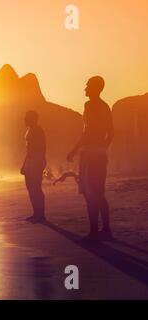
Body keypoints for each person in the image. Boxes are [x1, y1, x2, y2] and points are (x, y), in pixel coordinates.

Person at [67, 76, 114, 242]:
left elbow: (86, 133)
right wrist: (102, 149)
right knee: (97, 193)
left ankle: (96, 231)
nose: (85, 88)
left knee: (91, 192)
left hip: (90, 155)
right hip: (94, 154)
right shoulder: (105, 106)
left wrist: (75, 150)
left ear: (95, 88)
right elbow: (110, 133)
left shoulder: (91, 105)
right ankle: (104, 230)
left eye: (87, 86)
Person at [21, 111, 47, 223]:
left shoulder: (38, 130)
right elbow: (29, 150)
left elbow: (42, 147)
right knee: (30, 188)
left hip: (36, 162)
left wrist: (41, 162)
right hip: (30, 161)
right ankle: (36, 213)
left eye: (26, 117)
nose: (24, 119)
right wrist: (24, 164)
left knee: (36, 188)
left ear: (32, 119)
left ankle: (41, 215)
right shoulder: (30, 130)